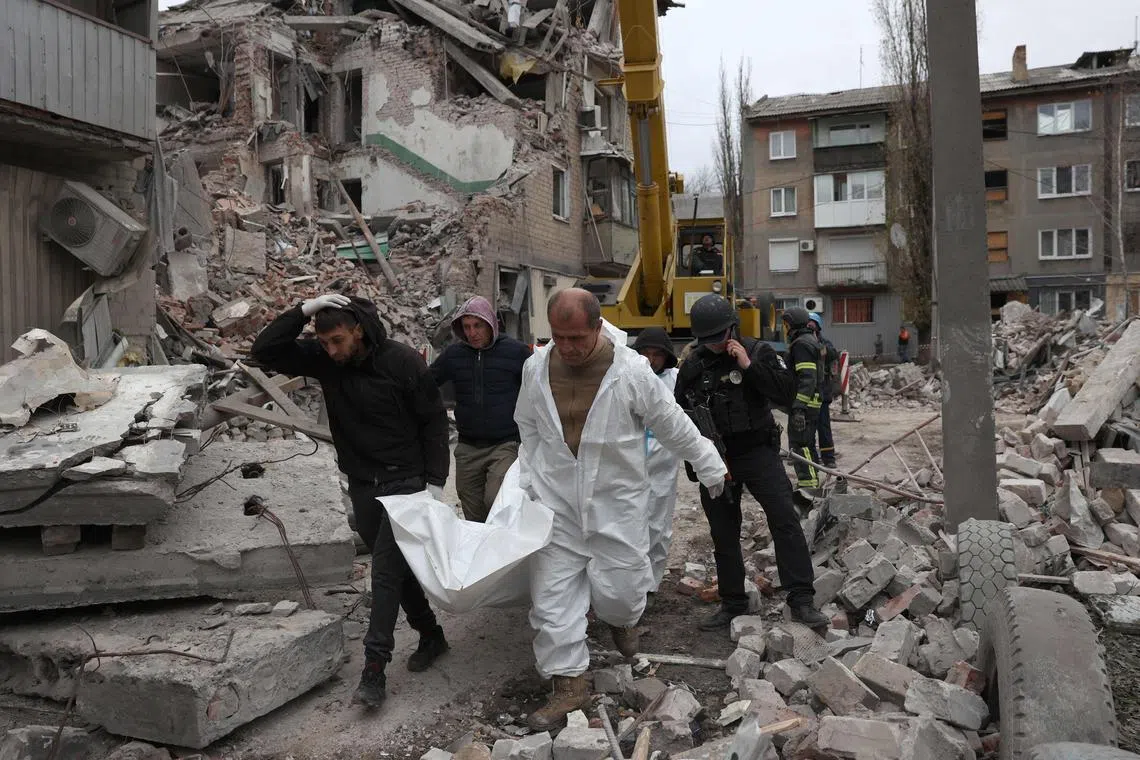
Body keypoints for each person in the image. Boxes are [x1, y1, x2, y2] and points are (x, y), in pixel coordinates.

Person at [516, 289, 727, 730]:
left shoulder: (629, 372)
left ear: (597, 327)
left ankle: (622, 620)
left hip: (618, 503)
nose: (568, 348)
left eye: (576, 337)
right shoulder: (536, 368)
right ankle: (569, 684)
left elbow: (673, 425)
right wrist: (530, 479)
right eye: (559, 337)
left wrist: (710, 466)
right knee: (552, 598)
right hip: (557, 505)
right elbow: (528, 425)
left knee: (623, 591)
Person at [251, 293, 450, 709]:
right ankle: (431, 635)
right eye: (324, 343)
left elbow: (433, 420)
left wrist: (434, 482)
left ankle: (373, 673)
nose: (332, 350)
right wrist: (305, 308)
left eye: (338, 340)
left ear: (357, 330)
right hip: (363, 482)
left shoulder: (402, 361)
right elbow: (264, 350)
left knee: (384, 574)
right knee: (398, 571)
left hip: (406, 483)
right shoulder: (326, 361)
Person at [676, 295, 827, 631]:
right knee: (723, 531)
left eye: (719, 338)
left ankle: (801, 598)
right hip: (716, 457)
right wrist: (697, 462)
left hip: (758, 452)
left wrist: (747, 365)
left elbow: (786, 393)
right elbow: (678, 416)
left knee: (784, 519)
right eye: (708, 340)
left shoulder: (759, 352)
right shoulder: (694, 364)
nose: (715, 346)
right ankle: (733, 602)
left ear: (733, 327)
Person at [430, 296, 532, 522]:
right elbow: (425, 383)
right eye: (466, 327)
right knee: (472, 509)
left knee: (496, 500)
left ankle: (505, 549)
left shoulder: (516, 352)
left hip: (506, 444)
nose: (471, 332)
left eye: (477, 325)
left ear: (490, 324)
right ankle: (483, 552)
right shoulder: (454, 355)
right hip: (468, 447)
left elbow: (539, 388)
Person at [631, 327, 681, 607]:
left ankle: (650, 585)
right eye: (645, 354)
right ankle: (628, 583)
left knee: (657, 527)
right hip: (629, 464)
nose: (651, 360)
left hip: (662, 467)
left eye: (656, 355)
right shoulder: (628, 379)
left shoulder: (674, 381)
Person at [783, 306, 823, 493]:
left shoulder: (801, 344)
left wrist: (798, 408)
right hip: (811, 402)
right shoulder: (809, 340)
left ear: (791, 324)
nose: (784, 328)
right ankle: (813, 483)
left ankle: (808, 489)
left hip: (805, 405)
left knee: (800, 445)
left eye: (786, 324)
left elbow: (807, 377)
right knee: (807, 445)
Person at [807, 312, 838, 468]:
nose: (810, 327)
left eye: (813, 324)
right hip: (806, 393)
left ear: (818, 327)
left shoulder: (824, 343)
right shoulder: (801, 343)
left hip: (822, 392)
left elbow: (833, 354)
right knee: (808, 428)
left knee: (823, 426)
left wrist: (820, 347)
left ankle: (829, 458)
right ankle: (812, 458)